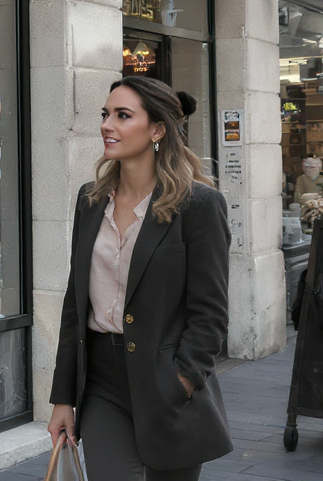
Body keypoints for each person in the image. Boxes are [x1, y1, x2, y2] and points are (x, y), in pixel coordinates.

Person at [48, 76, 232, 480]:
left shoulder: (198, 205)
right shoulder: (90, 200)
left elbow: (211, 313)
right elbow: (75, 305)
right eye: (105, 114)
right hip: (101, 382)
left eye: (122, 115)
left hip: (167, 379)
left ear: (157, 130)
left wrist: (182, 380)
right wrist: (63, 397)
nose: (106, 125)